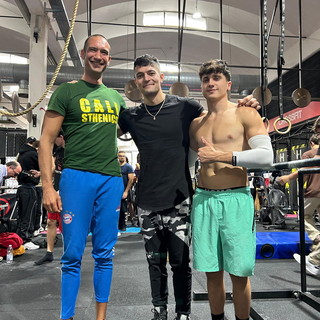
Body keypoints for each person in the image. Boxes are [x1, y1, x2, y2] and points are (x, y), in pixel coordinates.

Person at [118, 54, 261, 320]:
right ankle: (160, 312)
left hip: (186, 200)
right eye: (140, 75)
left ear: (162, 77)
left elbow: (257, 148)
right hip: (158, 201)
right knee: (164, 265)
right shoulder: (132, 116)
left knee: (193, 266)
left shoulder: (187, 108)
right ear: (135, 82)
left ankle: (183, 314)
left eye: (151, 73)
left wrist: (251, 105)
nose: (146, 78)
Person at [38, 34, 126, 320]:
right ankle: (67, 317)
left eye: (104, 52)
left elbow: (148, 121)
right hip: (76, 178)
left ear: (108, 59)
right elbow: (46, 141)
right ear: (84, 54)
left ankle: (101, 317)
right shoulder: (66, 91)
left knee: (105, 254)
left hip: (111, 180)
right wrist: (48, 187)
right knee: (72, 255)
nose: (98, 55)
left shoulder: (115, 98)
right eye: (93, 50)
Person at [189, 59, 273, 320]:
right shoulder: (196, 124)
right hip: (203, 200)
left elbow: (266, 157)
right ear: (201, 86)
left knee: (239, 272)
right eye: (206, 79)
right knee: (211, 272)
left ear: (228, 84)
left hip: (236, 199)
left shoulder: (245, 113)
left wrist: (224, 156)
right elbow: (190, 162)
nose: (210, 83)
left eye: (216, 78)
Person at [277, 133, 320, 276]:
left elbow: (305, 171)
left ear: (311, 143)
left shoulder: (309, 153)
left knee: (304, 215)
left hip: (314, 191)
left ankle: (316, 241)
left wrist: (289, 178)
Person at [35, 131, 65, 265]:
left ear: (61, 137)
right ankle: (49, 253)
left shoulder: (73, 150)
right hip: (57, 189)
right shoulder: (57, 151)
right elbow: (52, 167)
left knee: (67, 222)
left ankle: (68, 253)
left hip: (71, 190)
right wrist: (42, 172)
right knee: (51, 222)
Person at [16, 136, 41, 250]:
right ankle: (26, 239)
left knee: (22, 215)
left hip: (21, 187)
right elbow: (46, 167)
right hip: (29, 187)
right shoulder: (33, 154)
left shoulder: (20, 154)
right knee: (29, 215)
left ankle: (20, 238)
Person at [118, 150, 134, 232]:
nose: (122, 157)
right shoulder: (116, 166)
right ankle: (117, 225)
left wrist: (126, 191)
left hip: (124, 191)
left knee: (123, 209)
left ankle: (123, 225)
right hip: (116, 191)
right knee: (116, 209)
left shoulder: (128, 167)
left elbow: (130, 180)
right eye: (120, 156)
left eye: (123, 156)